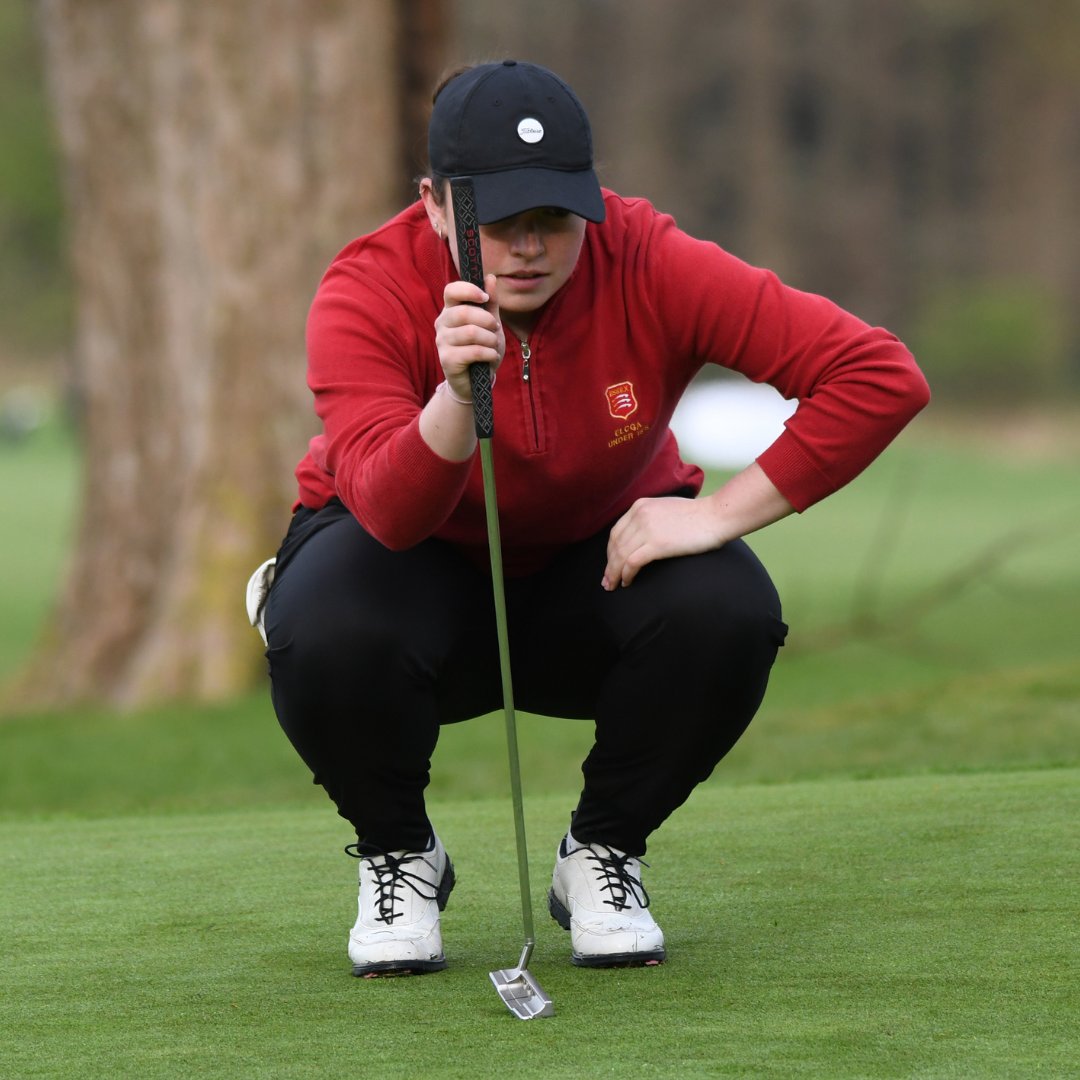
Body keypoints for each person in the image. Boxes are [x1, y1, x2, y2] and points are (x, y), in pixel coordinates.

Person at [252, 59, 929, 977]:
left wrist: (717, 513)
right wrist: (455, 397)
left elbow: (879, 377)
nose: (528, 248)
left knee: (725, 606)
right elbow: (389, 513)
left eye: (555, 221)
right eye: (498, 223)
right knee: (319, 619)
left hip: (593, 572)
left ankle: (602, 854)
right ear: (436, 206)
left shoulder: (649, 258)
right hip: (408, 573)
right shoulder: (365, 287)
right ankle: (399, 855)